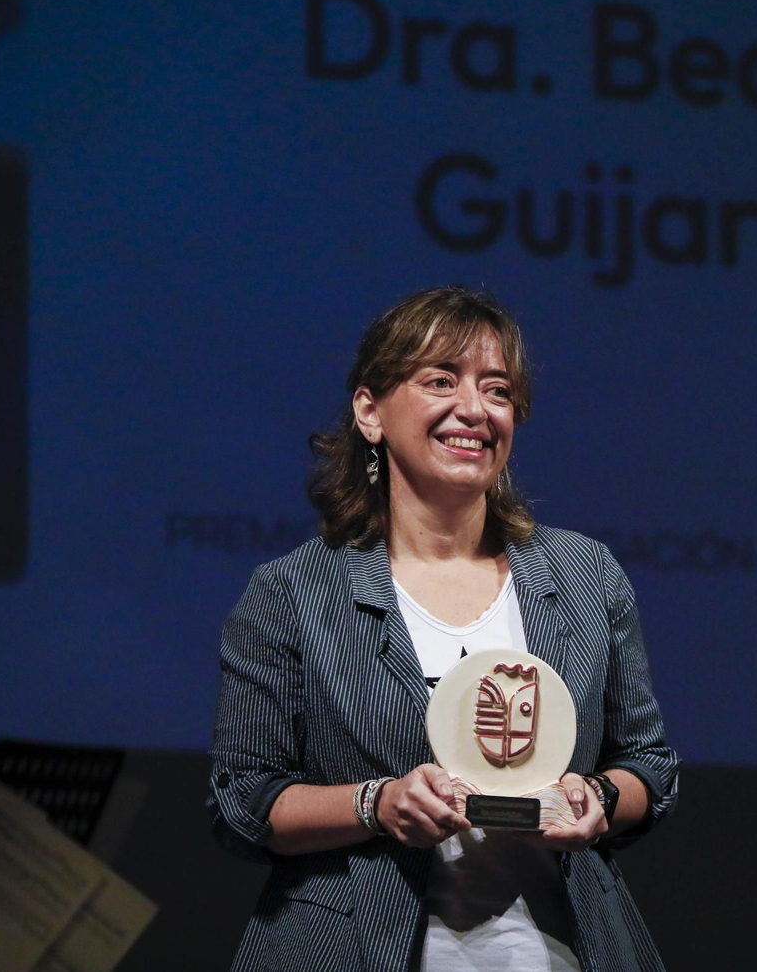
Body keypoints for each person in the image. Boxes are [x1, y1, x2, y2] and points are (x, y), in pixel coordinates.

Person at [208, 287, 679, 972]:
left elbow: (649, 767)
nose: (474, 409)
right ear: (370, 411)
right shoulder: (292, 593)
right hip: (350, 950)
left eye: (497, 389)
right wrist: (378, 803)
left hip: (558, 952)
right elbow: (243, 800)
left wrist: (598, 798)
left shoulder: (585, 575)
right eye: (440, 380)